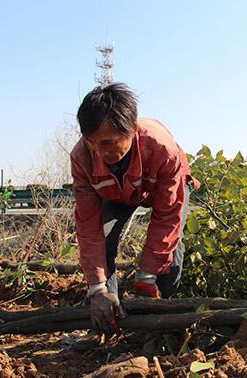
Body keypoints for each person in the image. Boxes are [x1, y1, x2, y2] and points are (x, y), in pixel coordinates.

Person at [70, 83, 198, 336]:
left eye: (109, 143)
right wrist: (97, 288)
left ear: (131, 130)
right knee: (104, 241)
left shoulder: (161, 149)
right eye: (93, 143)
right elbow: (88, 226)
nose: (101, 152)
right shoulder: (82, 157)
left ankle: (160, 321)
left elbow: (167, 216)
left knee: (172, 247)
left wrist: (148, 275)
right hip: (116, 194)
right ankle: (110, 320)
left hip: (163, 185)